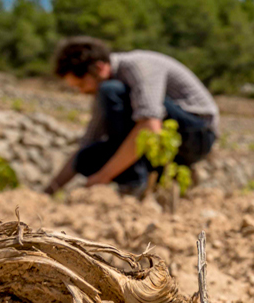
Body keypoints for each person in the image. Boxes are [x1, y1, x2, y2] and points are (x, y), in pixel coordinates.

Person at [43, 37, 220, 195]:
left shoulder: (137, 67)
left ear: (99, 67)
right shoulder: (106, 92)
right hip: (159, 141)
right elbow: (88, 141)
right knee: (85, 159)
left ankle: (135, 183)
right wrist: (51, 189)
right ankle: (142, 180)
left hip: (197, 135)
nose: (82, 92)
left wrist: (101, 178)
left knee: (111, 91)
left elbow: (151, 126)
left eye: (81, 84)